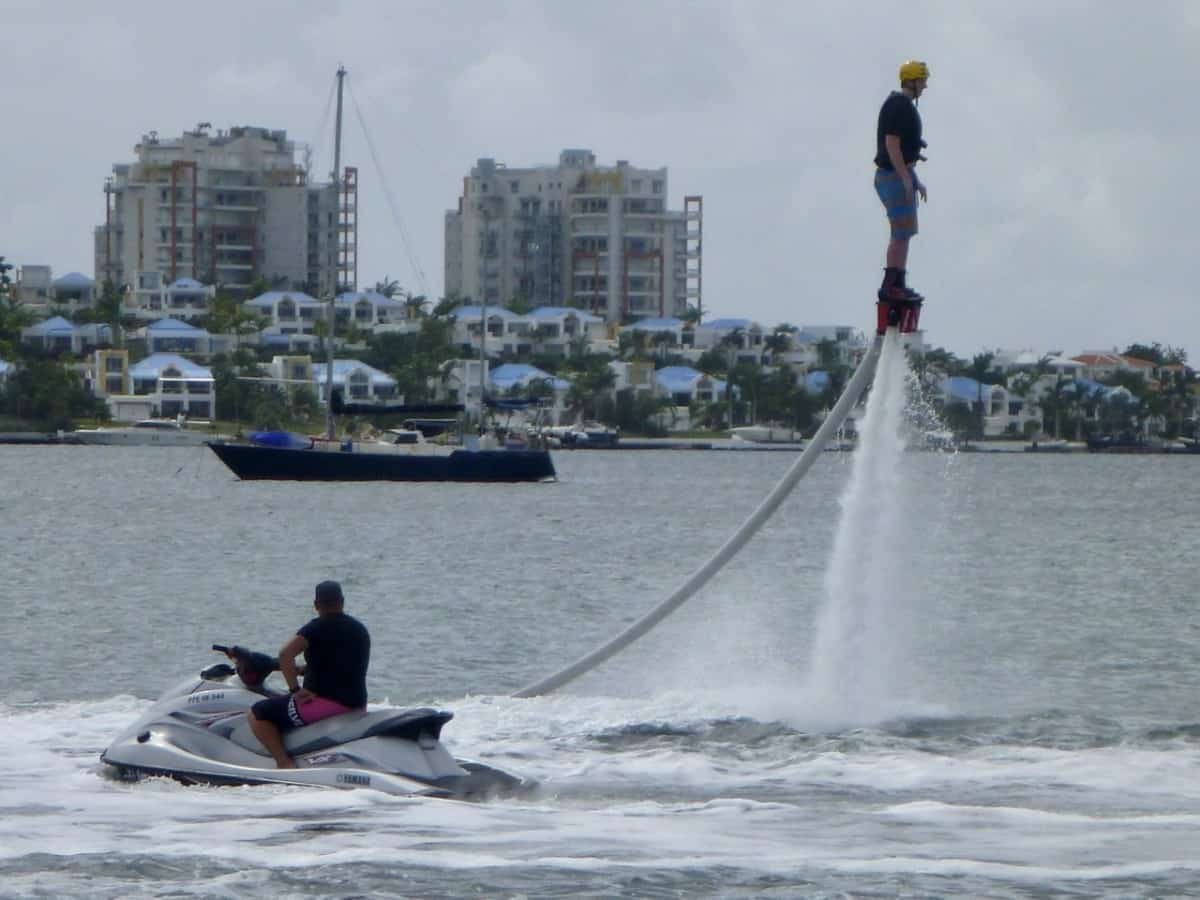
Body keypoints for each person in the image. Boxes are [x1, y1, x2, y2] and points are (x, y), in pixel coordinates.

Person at [246, 579, 371, 769]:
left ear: (316, 605)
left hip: (325, 704)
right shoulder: (359, 629)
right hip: (356, 704)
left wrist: (295, 689)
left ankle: (284, 763)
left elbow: (285, 654)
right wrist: (301, 670)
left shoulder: (315, 628)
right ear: (342, 601)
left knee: (258, 712)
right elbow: (336, 664)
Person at [875, 59, 930, 305]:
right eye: (923, 81)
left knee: (905, 232)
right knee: (899, 233)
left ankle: (898, 282)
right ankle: (890, 286)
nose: (925, 86)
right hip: (892, 176)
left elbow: (904, 149)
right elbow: (892, 144)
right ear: (912, 81)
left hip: (900, 174)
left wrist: (914, 179)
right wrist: (905, 178)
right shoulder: (898, 105)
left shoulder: (903, 105)